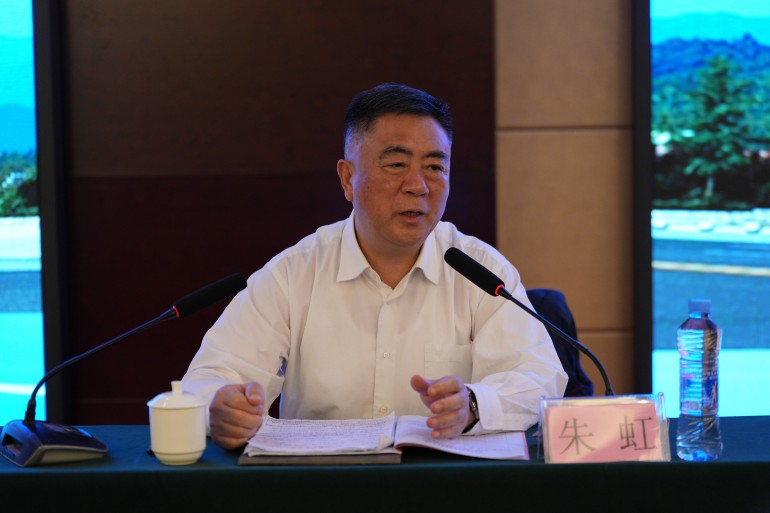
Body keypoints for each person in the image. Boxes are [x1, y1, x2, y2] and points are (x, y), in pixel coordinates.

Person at [182, 83, 567, 450]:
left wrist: (474, 405)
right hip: (324, 483)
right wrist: (222, 408)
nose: (418, 185)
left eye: (435, 167)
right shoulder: (293, 273)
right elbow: (209, 378)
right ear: (348, 178)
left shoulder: (482, 272)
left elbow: (538, 377)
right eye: (397, 164)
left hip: (443, 481)